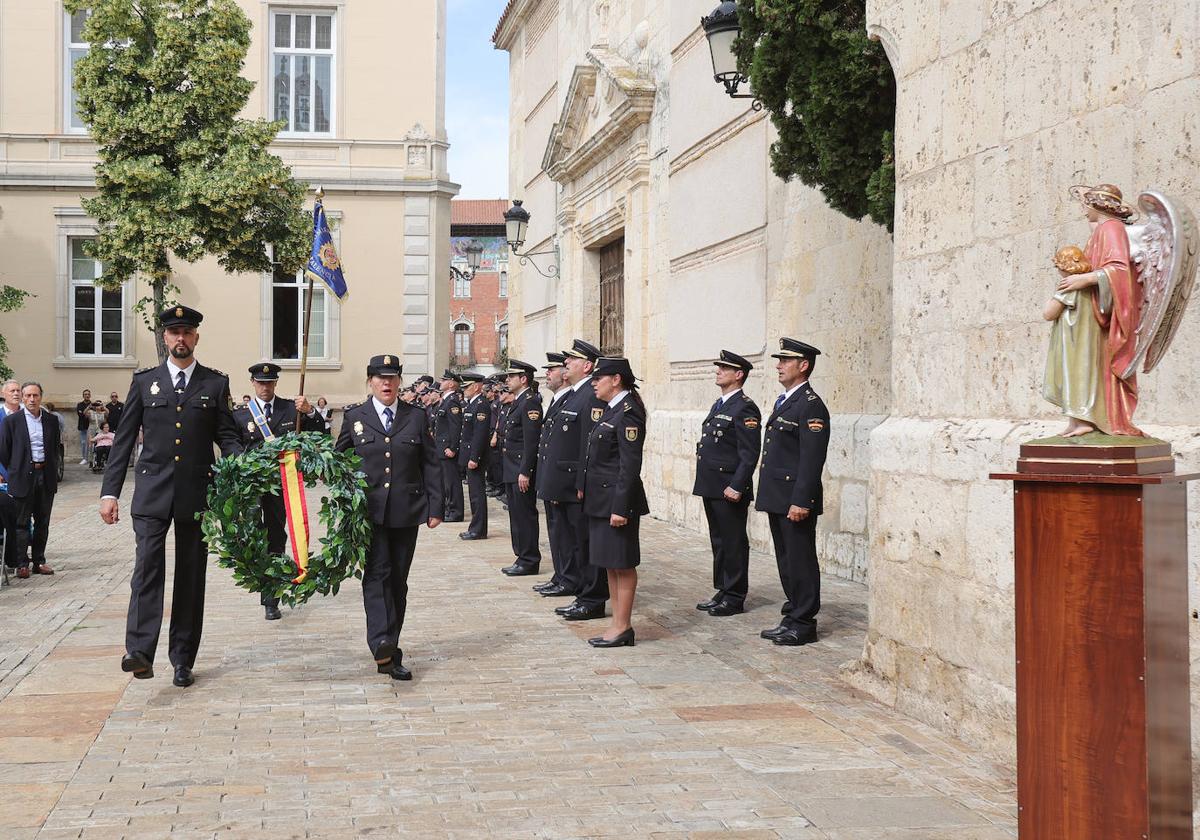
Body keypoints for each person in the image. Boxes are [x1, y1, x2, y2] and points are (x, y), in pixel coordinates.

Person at [100, 305, 242, 687]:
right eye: (174, 332)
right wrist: (109, 492)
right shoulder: (146, 382)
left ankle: (182, 658)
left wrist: (239, 466)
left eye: (187, 332)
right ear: (164, 338)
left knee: (190, 576)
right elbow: (124, 439)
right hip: (151, 493)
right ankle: (140, 652)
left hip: (196, 493)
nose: (180, 338)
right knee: (147, 568)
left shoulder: (214, 384)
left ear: (196, 337)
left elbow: (226, 435)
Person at [336, 354, 444, 681]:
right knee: (376, 575)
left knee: (397, 580)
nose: (387, 383)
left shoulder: (416, 416)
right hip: (368, 512)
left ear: (399, 382)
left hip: (406, 510)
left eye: (393, 378)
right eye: (380, 378)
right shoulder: (355, 416)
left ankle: (390, 644)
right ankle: (382, 643)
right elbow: (339, 459)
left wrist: (435, 507)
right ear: (370, 381)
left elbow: (430, 462)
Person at [232, 362, 326, 621]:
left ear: (275, 384)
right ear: (252, 383)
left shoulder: (290, 409)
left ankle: (270, 598)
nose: (265, 387)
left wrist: (309, 413)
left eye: (270, 382)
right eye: (260, 383)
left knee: (276, 536)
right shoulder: (241, 415)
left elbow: (316, 435)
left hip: (280, 486)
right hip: (252, 486)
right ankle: (258, 580)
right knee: (254, 537)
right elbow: (231, 445)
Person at [756, 337, 830, 646]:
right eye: (779, 360)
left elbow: (812, 461)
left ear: (804, 365)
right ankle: (792, 613)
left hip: (795, 500)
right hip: (778, 497)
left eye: (786, 361)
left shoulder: (811, 406)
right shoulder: (785, 401)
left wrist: (802, 500)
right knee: (786, 560)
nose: (779, 365)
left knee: (800, 559)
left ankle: (804, 622)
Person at [580, 357, 648, 647]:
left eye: (600, 377)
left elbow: (629, 467)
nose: (594, 383)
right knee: (610, 563)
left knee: (622, 563)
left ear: (616, 379)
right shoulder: (612, 410)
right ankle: (617, 624)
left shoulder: (628, 413)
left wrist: (621, 507)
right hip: (601, 500)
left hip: (617, 502)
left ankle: (623, 626)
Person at [693, 350, 762, 617]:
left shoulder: (745, 407)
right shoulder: (719, 404)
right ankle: (722, 589)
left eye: (724, 367)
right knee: (719, 540)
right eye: (719, 367)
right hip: (712, 484)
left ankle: (734, 595)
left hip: (729, 487)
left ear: (739, 374)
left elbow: (749, 453)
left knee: (733, 541)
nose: (718, 370)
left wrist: (738, 485)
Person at [551, 339, 610, 620]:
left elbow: (590, 444)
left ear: (587, 366)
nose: (566, 363)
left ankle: (592, 598)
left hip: (577, 483)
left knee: (585, 544)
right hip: (566, 482)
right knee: (576, 542)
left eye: (572, 360)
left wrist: (581, 484)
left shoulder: (591, 395)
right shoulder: (574, 394)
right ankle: (582, 592)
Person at [0, 382, 62, 578]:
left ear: (41, 397)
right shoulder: (12, 421)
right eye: (28, 396)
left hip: (45, 475)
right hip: (22, 476)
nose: (32, 399)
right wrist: (16, 470)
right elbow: (4, 450)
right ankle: (22, 563)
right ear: (23, 398)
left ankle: (39, 561)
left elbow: (54, 448)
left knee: (43, 521)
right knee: (21, 522)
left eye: (35, 395)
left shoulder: (51, 420)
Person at [499, 360, 543, 576]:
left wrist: (525, 471)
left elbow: (531, 441)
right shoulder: (518, 402)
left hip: (520, 470)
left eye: (511, 376)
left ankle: (529, 559)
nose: (507, 380)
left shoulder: (530, 402)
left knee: (524, 515)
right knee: (516, 515)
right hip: (511, 468)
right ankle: (521, 556)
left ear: (523, 379)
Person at [457, 372, 490, 540]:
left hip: (475, 457)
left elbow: (480, 434)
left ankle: (478, 529)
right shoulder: (472, 404)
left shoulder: (481, 405)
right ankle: (475, 527)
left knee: (477, 493)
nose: (464, 390)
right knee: (473, 493)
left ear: (476, 387)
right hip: (469, 454)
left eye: (467, 387)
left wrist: (474, 457)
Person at [433, 370, 465, 522]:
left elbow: (455, 426)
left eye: (444, 380)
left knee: (452, 481)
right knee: (446, 481)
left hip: (447, 449)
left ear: (451, 383)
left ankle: (455, 511)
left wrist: (453, 447)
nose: (441, 382)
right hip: (441, 448)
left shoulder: (452, 401)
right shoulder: (445, 400)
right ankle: (449, 507)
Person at [75, 388, 92, 463]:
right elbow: (81, 414)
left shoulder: (93, 405)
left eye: (88, 394)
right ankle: (84, 458)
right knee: (83, 443)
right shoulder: (80, 405)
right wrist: (86, 412)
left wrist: (86, 413)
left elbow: (91, 415)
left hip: (91, 426)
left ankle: (90, 458)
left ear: (90, 395)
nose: (87, 396)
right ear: (83, 396)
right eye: (85, 394)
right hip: (83, 427)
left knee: (91, 443)